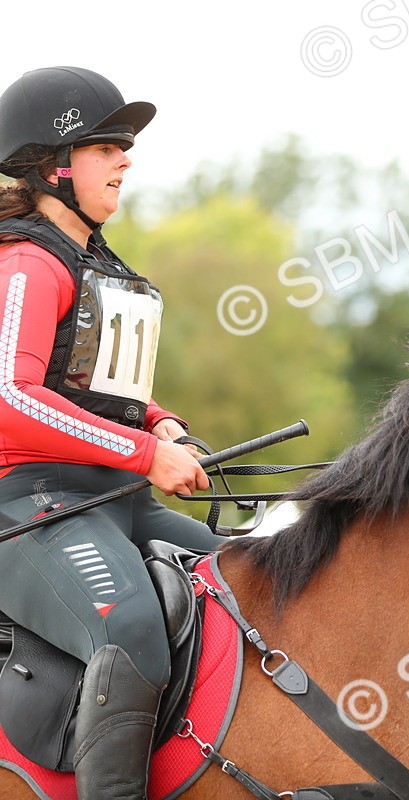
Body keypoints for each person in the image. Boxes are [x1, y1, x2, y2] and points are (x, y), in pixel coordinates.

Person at [0, 66, 225, 800]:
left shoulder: (92, 262)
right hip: (29, 507)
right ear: (51, 167)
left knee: (254, 582)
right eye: (106, 145)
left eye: (124, 145)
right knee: (127, 625)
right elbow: (10, 396)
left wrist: (162, 424)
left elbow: (97, 385)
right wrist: (144, 452)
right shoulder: (27, 263)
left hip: (113, 497)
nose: (126, 159)